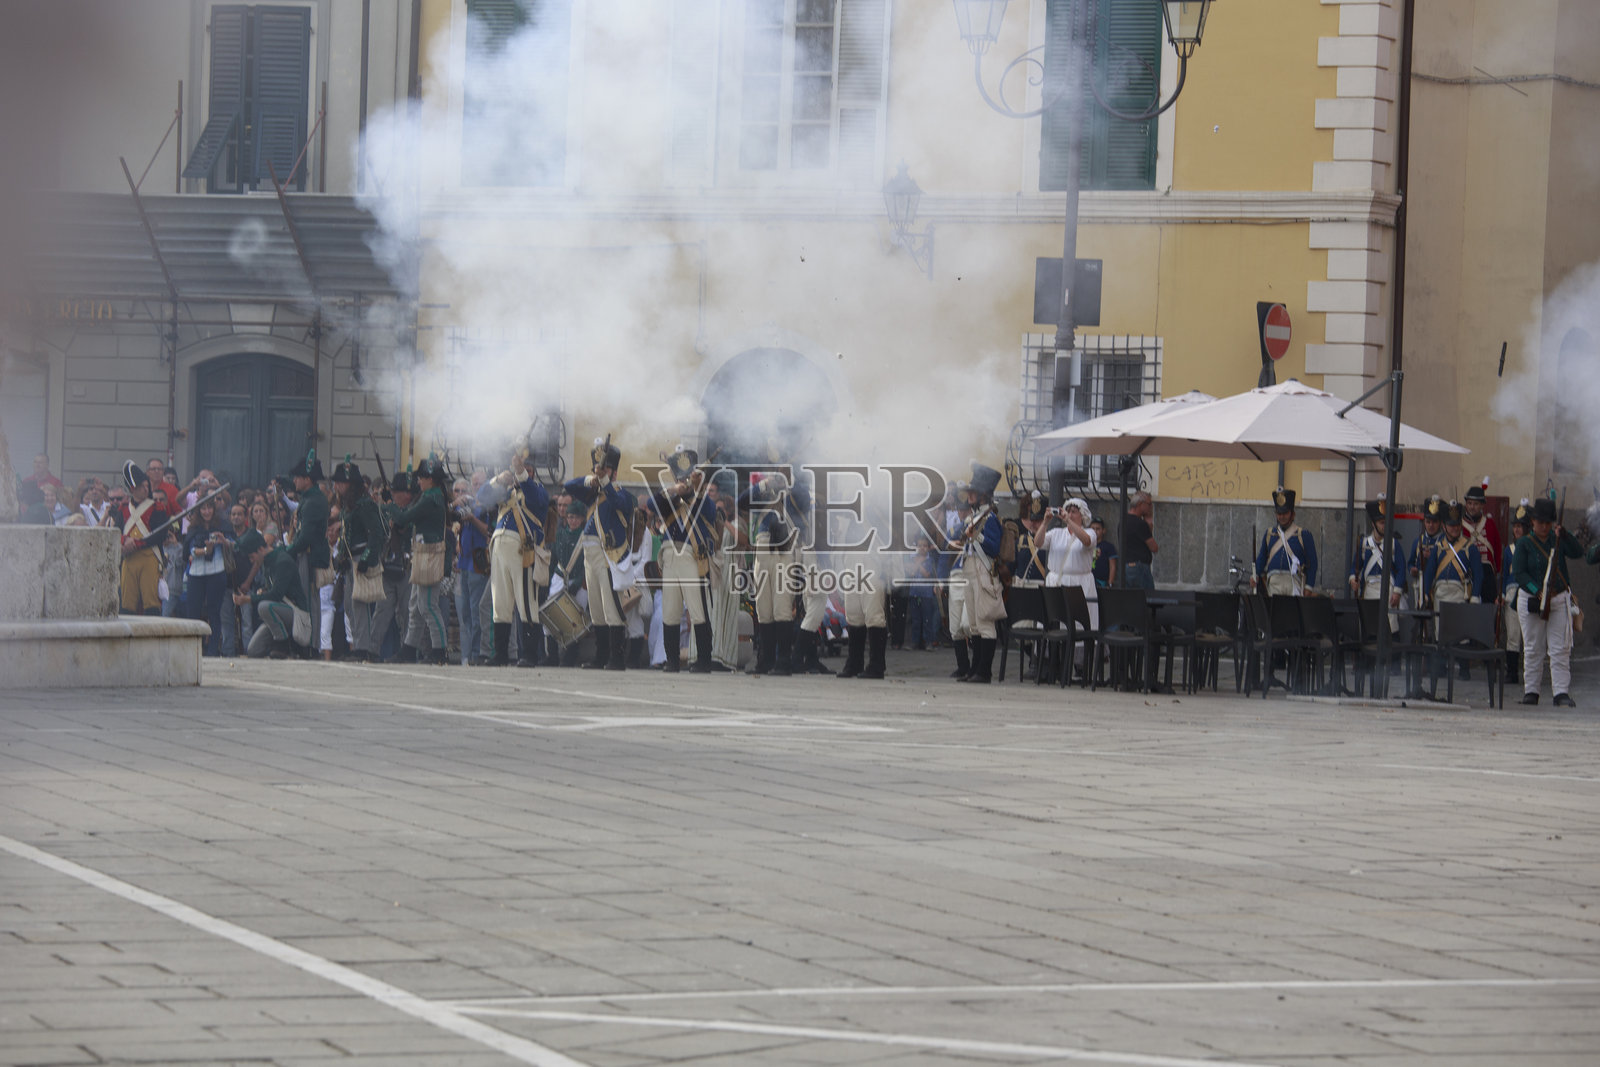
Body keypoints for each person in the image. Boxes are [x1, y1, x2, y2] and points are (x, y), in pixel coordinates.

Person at [565, 437, 636, 671]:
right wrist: (591, 478)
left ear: (613, 473)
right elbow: (570, 486)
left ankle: (616, 658)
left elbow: (620, 504)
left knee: (611, 608)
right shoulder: (593, 493)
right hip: (590, 554)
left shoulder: (620, 493)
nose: (602, 474)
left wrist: (604, 480)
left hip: (609, 555)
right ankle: (601, 656)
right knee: (596, 608)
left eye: (606, 470)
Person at [479, 440, 551, 668]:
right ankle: (500, 654)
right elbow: (482, 497)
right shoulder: (505, 492)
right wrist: (499, 479)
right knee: (500, 604)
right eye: (521, 468)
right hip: (499, 549)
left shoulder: (538, 490)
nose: (524, 472)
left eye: (528, 469)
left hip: (524, 549)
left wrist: (520, 474)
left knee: (527, 604)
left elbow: (535, 498)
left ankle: (529, 655)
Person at [648, 446, 717, 673]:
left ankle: (704, 660)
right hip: (669, 555)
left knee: (697, 610)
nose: (684, 481)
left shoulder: (701, 499)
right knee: (670, 610)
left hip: (690, 556)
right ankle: (672, 660)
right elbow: (651, 505)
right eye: (681, 478)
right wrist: (674, 490)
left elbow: (708, 513)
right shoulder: (671, 498)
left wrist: (693, 491)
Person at [1511, 495, 1583, 706]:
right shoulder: (1524, 543)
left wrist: (1565, 535)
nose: (1544, 526)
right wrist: (1537, 591)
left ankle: (1561, 692)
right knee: (1533, 648)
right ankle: (1531, 691)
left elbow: (1578, 553)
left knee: (1560, 648)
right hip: (1532, 600)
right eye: (1540, 522)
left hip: (1558, 599)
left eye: (1547, 523)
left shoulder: (1557, 539)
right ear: (1532, 521)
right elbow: (1520, 573)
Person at [952, 462, 1006, 684]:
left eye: (974, 492)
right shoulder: (973, 517)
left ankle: (984, 671)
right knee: (973, 624)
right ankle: (974, 669)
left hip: (983, 571)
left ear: (984, 494)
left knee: (984, 623)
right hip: (969, 571)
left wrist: (977, 536)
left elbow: (994, 548)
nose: (970, 495)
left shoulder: (990, 518)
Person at [395, 457, 451, 666]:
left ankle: (439, 650)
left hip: (429, 554)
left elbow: (404, 518)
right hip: (423, 553)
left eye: (421, 478)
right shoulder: (431, 496)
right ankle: (409, 648)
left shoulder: (430, 499)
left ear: (429, 479)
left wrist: (392, 508)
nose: (418, 481)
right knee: (415, 605)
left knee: (427, 605)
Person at [332, 459, 387, 663]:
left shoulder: (365, 505)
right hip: (351, 559)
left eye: (340, 482)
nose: (336, 486)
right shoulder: (348, 506)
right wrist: (343, 558)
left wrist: (367, 559)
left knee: (359, 603)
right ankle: (358, 642)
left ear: (351, 484)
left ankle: (362, 648)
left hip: (361, 558)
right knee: (348, 605)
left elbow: (376, 534)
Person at [233, 529, 310, 659]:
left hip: (295, 612)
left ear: (260, 550)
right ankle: (280, 641)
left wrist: (248, 599)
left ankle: (282, 643)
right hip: (277, 613)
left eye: (252, 557)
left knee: (263, 606)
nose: (252, 561)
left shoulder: (282, 561)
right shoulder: (266, 563)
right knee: (253, 650)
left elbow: (276, 595)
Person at [284, 449, 330, 656]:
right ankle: (307, 642)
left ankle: (311, 645)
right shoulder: (309, 499)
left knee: (309, 601)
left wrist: (290, 550)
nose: (295, 480)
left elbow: (306, 535)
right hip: (305, 554)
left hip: (309, 556)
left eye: (298, 477)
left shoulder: (314, 501)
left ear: (307, 479)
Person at [115, 462, 172, 615]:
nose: (146, 489)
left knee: (151, 602)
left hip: (149, 557)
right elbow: (117, 530)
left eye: (147, 486)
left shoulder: (157, 508)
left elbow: (159, 535)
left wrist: (138, 544)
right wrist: (123, 543)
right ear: (133, 488)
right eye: (142, 486)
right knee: (127, 603)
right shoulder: (123, 508)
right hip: (129, 557)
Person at [183, 496, 233, 656]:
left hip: (216, 571)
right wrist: (206, 550)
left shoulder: (222, 525)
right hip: (196, 573)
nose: (206, 511)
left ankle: (212, 651)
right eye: (203, 508)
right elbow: (190, 551)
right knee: (193, 612)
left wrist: (223, 541)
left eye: (209, 508)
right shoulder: (193, 528)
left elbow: (234, 544)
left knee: (214, 612)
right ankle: (193, 650)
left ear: (214, 509)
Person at [452, 476, 491, 666]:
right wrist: (454, 504)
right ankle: (467, 656)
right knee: (466, 615)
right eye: (474, 484)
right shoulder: (467, 504)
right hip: (464, 565)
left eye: (479, 484)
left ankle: (477, 654)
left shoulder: (487, 506)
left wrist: (472, 518)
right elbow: (449, 516)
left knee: (476, 613)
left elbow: (488, 531)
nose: (476, 487)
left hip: (478, 565)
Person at [1042, 498, 1098, 629]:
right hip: (1057, 583)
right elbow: (1038, 543)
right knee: (1056, 624)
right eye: (1068, 511)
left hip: (1080, 585)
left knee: (1079, 624)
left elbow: (1087, 541)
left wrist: (1068, 521)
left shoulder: (1090, 532)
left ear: (1082, 515)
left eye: (1074, 512)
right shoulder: (1056, 533)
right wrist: (1045, 523)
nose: (1070, 514)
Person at [1253, 488, 1316, 595]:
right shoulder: (1269, 534)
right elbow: (1262, 558)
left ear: (1292, 514)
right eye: (1279, 513)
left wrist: (1309, 587)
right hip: (1274, 582)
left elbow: (1313, 563)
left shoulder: (1303, 535)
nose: (1282, 517)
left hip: (1294, 581)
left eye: (1285, 513)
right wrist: (1255, 575)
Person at [1501, 501, 1530, 686]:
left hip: (1528, 592)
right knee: (1513, 636)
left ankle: (1529, 674)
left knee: (1529, 638)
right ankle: (1512, 672)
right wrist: (1502, 594)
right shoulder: (1509, 550)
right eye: (1516, 526)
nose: (1517, 530)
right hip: (1512, 593)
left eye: (1521, 526)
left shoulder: (1531, 547)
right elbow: (1505, 575)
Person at [1461, 481, 1502, 595]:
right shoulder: (1459, 525)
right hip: (1467, 571)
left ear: (1482, 505)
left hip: (1487, 573)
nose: (1472, 507)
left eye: (1475, 504)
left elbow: (1497, 548)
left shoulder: (1489, 524)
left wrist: (1497, 570)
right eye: (1469, 503)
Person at [1408, 496, 1448, 609]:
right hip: (1420, 585)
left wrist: (1433, 558)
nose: (1431, 525)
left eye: (1435, 522)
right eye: (1428, 521)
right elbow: (1410, 562)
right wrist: (1412, 570)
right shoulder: (1418, 541)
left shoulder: (1444, 541)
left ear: (1440, 523)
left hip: (1438, 586)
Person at [906, 536, 941, 650]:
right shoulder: (912, 559)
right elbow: (910, 574)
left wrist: (920, 564)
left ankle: (928, 641)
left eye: (924, 546)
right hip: (914, 592)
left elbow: (927, 575)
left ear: (928, 548)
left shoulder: (930, 560)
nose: (922, 548)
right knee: (915, 619)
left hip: (926, 594)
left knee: (927, 618)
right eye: (920, 546)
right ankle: (915, 642)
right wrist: (916, 563)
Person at [1121, 491, 1158, 589]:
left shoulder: (1122, 521)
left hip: (1126, 566)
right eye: (1149, 504)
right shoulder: (1140, 524)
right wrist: (1149, 523)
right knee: (1147, 599)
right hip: (1139, 567)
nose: (1151, 507)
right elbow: (1154, 547)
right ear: (1140, 504)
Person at [1089, 518, 1117, 587]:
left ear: (1103, 530)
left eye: (1098, 529)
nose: (1095, 531)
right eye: (1093, 529)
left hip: (1101, 582)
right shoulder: (1086, 545)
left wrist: (1110, 583)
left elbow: (1112, 566)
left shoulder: (1109, 547)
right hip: (1087, 580)